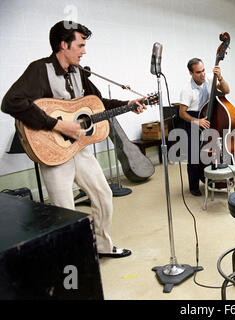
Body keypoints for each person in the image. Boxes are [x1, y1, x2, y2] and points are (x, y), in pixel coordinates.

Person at [1, 21, 147, 258]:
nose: (84, 51)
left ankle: (102, 246)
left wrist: (127, 105)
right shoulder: (39, 69)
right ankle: (75, 261)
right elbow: (11, 102)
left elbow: (97, 104)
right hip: (54, 152)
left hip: (79, 148)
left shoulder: (79, 73)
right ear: (63, 45)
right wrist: (57, 124)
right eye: (80, 45)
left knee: (103, 194)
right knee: (65, 211)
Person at [178, 58, 230, 196]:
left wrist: (220, 77)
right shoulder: (186, 90)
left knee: (212, 150)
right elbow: (181, 113)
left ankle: (213, 178)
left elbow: (226, 90)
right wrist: (196, 121)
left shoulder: (209, 79)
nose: (202, 74)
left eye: (203, 70)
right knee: (194, 155)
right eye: (198, 72)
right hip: (193, 118)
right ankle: (194, 186)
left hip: (208, 114)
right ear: (191, 73)